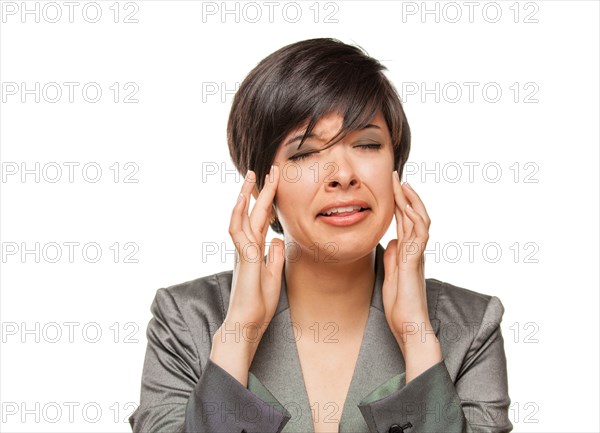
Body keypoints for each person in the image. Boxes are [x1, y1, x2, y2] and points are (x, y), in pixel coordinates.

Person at [129, 38, 513, 433]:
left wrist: (418, 340)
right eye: (305, 153)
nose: (343, 174)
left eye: (366, 144)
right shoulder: (187, 320)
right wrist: (237, 334)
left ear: (396, 165)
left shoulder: (469, 326)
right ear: (261, 185)